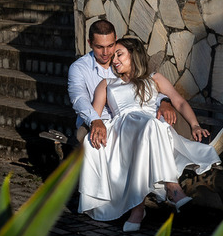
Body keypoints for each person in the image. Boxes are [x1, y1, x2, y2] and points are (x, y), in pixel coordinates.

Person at [78, 37, 220, 231]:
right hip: (123, 128)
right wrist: (96, 126)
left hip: (152, 131)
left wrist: (195, 125)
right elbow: (94, 114)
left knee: (151, 126)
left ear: (133, 54)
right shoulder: (107, 84)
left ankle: (138, 209)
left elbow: (179, 101)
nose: (114, 60)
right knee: (148, 125)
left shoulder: (154, 78)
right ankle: (172, 187)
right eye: (113, 57)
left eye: (119, 55)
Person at [67, 19, 176, 150]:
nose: (106, 53)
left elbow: (141, 87)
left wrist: (164, 100)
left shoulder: (122, 63)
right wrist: (95, 120)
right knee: (86, 141)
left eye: (110, 45)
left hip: (129, 121)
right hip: (96, 119)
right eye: (99, 47)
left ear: (116, 40)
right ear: (90, 43)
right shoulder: (78, 68)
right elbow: (79, 99)